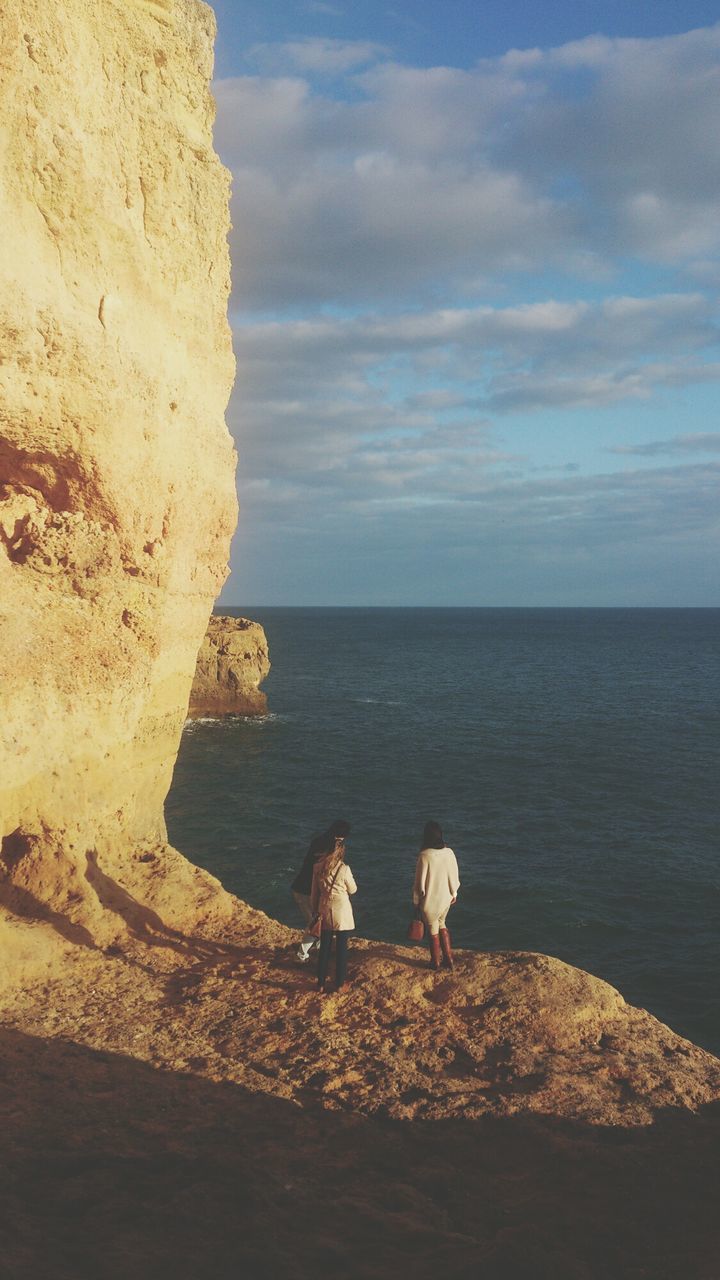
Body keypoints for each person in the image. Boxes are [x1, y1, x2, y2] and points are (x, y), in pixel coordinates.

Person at [292, 820, 351, 963]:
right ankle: (301, 955)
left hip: (300, 886)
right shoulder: (331, 848)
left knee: (318, 923)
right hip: (308, 891)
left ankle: (320, 948)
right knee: (316, 924)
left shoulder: (318, 840)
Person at [311, 833, 357, 993]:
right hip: (341, 912)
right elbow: (353, 889)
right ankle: (339, 984)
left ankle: (320, 984)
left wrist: (314, 912)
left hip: (324, 909)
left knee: (324, 948)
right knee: (341, 950)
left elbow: (314, 894)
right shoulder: (344, 869)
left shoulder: (317, 867)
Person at [412, 820, 460, 971]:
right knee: (442, 923)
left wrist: (416, 901)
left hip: (430, 902)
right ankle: (449, 959)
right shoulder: (449, 852)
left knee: (433, 929)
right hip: (446, 899)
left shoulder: (424, 856)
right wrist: (454, 893)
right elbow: (454, 875)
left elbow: (419, 884)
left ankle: (435, 962)